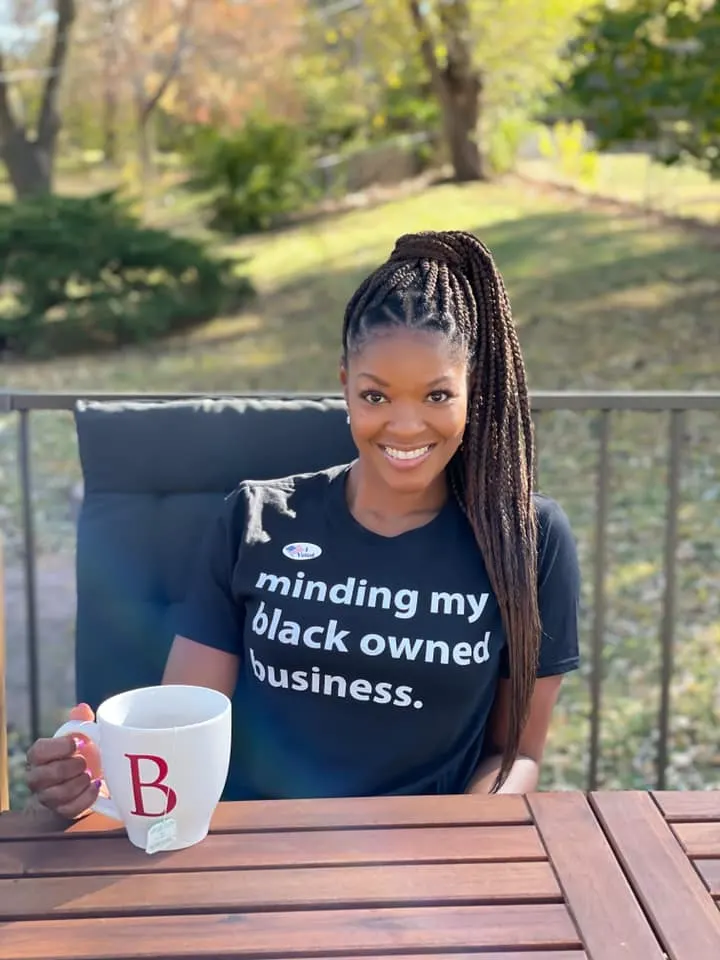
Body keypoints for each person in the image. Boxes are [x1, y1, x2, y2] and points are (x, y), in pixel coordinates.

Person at [25, 229, 580, 819]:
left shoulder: (528, 542)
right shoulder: (254, 519)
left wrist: (460, 838)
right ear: (345, 384)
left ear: (474, 391)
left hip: (422, 873)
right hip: (248, 855)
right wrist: (94, 771)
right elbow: (181, 729)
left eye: (438, 396)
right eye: (376, 397)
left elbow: (515, 752)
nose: (407, 426)